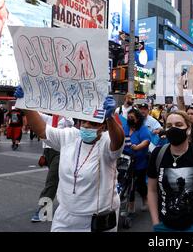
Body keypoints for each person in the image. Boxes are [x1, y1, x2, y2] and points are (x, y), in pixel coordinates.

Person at [14, 86, 124, 232]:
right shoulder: (70, 136)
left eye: (93, 123)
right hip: (65, 217)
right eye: (84, 122)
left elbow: (118, 142)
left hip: (98, 220)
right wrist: (25, 104)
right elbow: (42, 130)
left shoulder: (106, 141)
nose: (86, 126)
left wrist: (110, 117)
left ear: (103, 127)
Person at [31, 114, 75, 223]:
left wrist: (63, 113)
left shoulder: (67, 119)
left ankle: (44, 209)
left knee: (52, 180)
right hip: (48, 152)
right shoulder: (48, 118)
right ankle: (69, 204)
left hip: (60, 152)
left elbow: (71, 123)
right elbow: (34, 114)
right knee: (59, 180)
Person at [121, 108, 151, 213]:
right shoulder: (125, 127)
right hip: (125, 161)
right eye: (128, 117)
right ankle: (130, 205)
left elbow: (146, 141)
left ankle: (145, 200)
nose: (129, 119)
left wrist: (137, 147)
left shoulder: (142, 129)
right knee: (127, 183)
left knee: (140, 184)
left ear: (138, 119)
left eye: (132, 118)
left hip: (140, 161)